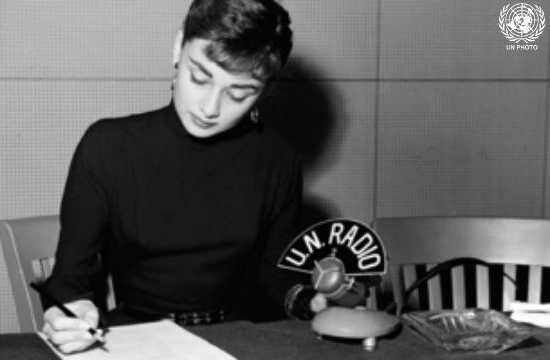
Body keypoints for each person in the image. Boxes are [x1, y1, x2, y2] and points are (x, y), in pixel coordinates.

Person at [41, 0, 365, 354]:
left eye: (239, 93)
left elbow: (277, 277)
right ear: (178, 47)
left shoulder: (278, 159)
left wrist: (309, 302)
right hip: (136, 338)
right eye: (199, 77)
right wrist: (74, 309)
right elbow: (70, 277)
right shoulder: (109, 147)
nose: (210, 109)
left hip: (239, 339)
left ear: (266, 89)